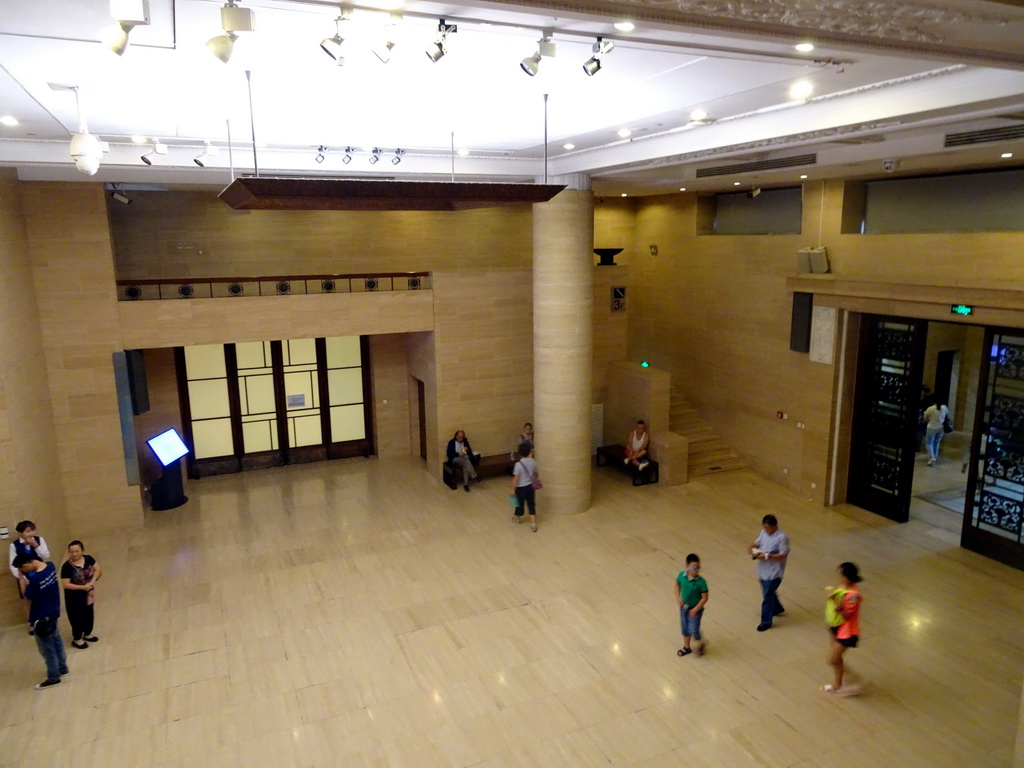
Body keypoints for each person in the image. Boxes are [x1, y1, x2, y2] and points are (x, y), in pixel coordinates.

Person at [13, 554, 69, 689]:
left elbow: (27, 597)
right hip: (54, 612)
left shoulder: (35, 580)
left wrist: (22, 580)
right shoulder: (50, 567)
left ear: (26, 565)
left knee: (47, 649)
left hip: (40, 618)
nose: (24, 572)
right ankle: (62, 667)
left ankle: (53, 677)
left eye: (23, 569)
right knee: (57, 640)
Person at [822, 561, 863, 696]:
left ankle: (850, 678)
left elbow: (846, 615)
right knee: (837, 660)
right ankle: (838, 684)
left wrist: (833, 599)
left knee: (832, 660)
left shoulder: (853, 596)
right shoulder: (842, 587)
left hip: (847, 632)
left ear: (846, 577)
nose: (838, 576)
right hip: (836, 627)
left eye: (840, 574)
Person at [748, 513, 790, 631]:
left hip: (774, 572)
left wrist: (766, 555)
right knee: (768, 592)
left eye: (768, 528)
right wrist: (752, 548)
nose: (766, 530)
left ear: (774, 526)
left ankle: (766, 621)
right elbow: (757, 542)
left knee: (767, 595)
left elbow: (782, 554)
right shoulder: (763, 533)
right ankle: (777, 608)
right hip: (763, 570)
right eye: (764, 528)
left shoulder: (782, 537)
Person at [9, 520, 51, 632]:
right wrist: (22, 578)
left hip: (39, 573)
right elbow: (12, 565)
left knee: (43, 596)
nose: (31, 533)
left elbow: (46, 555)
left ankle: (45, 619)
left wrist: (35, 545)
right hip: (24, 576)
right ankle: (32, 623)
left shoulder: (39, 540)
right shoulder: (14, 545)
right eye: (27, 531)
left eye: (32, 530)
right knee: (27, 600)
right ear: (20, 533)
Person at [61, 540, 101, 649]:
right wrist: (83, 587)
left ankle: (87, 633)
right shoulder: (66, 567)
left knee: (89, 613)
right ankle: (77, 638)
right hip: (74, 597)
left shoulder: (88, 559)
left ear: (82, 550)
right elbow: (66, 584)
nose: (74, 554)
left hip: (88, 593)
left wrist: (91, 583)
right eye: (71, 552)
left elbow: (97, 570)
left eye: (77, 551)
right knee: (76, 616)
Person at [674, 553, 709, 657]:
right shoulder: (681, 576)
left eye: (698, 567)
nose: (696, 570)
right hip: (684, 607)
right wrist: (678, 597)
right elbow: (676, 585)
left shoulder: (701, 582)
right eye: (693, 567)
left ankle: (701, 642)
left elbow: (705, 598)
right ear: (687, 567)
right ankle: (686, 647)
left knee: (693, 629)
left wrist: (695, 609)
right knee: (685, 627)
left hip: (696, 610)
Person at [510, 441, 540, 532]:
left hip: (521, 488)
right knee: (531, 504)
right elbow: (536, 474)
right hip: (530, 487)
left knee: (519, 503)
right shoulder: (533, 461)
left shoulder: (518, 465)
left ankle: (518, 518)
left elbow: (516, 478)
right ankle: (533, 524)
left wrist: (513, 489)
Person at [923, 401, 950, 466]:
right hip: (941, 428)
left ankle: (931, 457)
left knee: (928, 443)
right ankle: (935, 456)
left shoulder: (930, 409)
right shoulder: (944, 407)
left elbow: (925, 419)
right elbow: (946, 415)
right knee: (936, 442)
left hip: (931, 427)